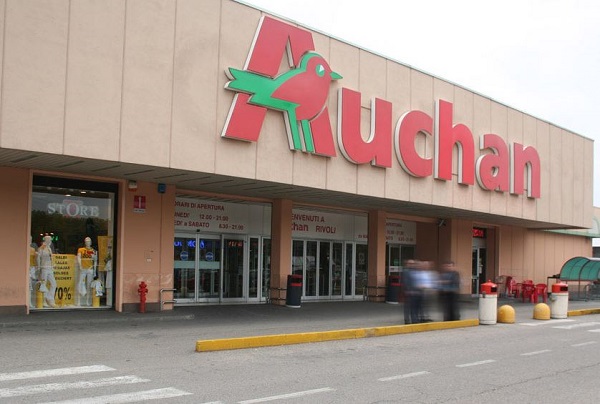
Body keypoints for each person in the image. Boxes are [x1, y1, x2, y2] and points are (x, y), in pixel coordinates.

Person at [37, 235, 57, 307]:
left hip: (50, 268)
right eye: (49, 240)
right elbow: (38, 258)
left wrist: (53, 265)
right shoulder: (41, 248)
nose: (50, 241)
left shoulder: (49, 248)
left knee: (54, 284)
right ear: (46, 240)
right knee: (43, 284)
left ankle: (50, 298)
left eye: (50, 240)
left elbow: (51, 258)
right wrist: (39, 267)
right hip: (44, 268)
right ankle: (44, 301)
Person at [77, 237, 97, 306]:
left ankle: (88, 301)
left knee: (89, 285)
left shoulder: (93, 250)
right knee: (80, 283)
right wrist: (80, 265)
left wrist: (94, 270)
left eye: (89, 241)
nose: (87, 242)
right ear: (85, 242)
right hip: (83, 269)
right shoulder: (81, 250)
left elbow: (95, 260)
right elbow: (79, 257)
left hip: (90, 269)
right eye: (86, 241)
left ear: (91, 242)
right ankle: (79, 301)